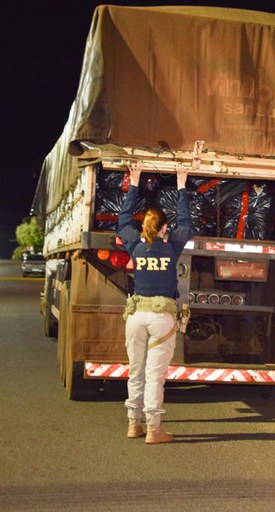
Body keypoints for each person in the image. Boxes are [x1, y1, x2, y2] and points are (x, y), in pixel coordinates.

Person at [118, 161, 192, 444]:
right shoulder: (171, 246)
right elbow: (186, 224)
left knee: (135, 372)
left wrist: (134, 183)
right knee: (154, 376)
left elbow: (123, 221)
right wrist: (182, 186)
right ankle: (154, 429)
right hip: (161, 318)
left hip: (136, 316)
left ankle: (132, 424)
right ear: (163, 229)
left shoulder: (135, 246)